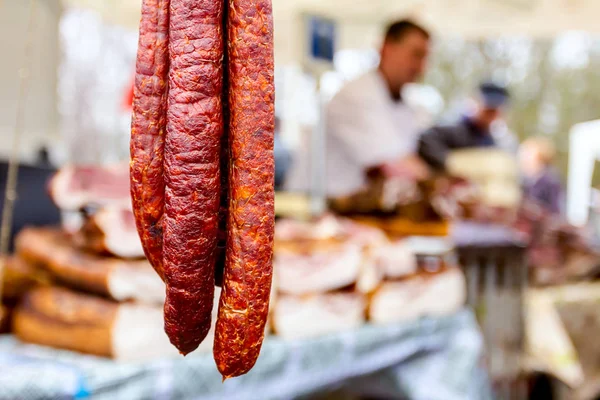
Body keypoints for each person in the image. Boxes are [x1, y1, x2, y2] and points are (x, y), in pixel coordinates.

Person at [325, 19, 431, 198]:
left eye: (425, 57)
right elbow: (395, 165)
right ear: (387, 48)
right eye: (416, 54)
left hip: (355, 210)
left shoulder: (404, 105)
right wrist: (439, 185)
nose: (421, 67)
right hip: (317, 210)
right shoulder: (357, 94)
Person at [418, 82, 511, 171]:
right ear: (476, 102)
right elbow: (425, 138)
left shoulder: (495, 141)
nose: (490, 113)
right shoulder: (455, 128)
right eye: (488, 108)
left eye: (494, 110)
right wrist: (449, 164)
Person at [519, 137, 564, 214]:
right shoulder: (526, 180)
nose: (522, 158)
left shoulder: (550, 180)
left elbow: (555, 211)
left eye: (527, 154)